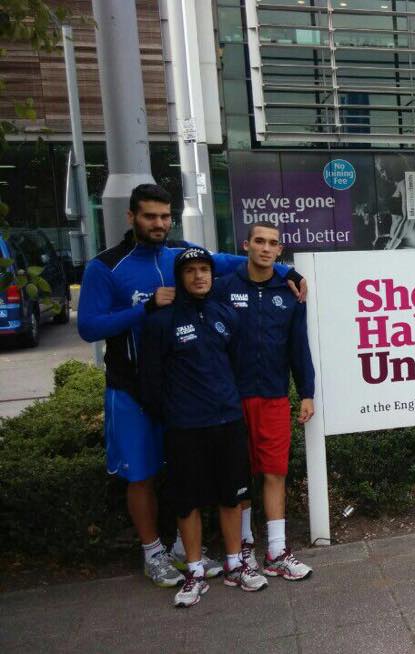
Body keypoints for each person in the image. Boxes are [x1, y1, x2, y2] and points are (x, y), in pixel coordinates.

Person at [77, 184, 305, 587]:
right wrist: (143, 308)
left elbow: (243, 259)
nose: (159, 223)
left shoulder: (180, 253)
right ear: (131, 217)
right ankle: (153, 554)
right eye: (150, 216)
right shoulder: (105, 266)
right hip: (131, 388)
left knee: (191, 476)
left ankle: (187, 552)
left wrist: (289, 271)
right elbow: (88, 326)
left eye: (165, 216)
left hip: (191, 396)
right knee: (142, 475)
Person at [140, 247, 269, 607]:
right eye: (191, 270)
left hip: (227, 421)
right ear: (179, 277)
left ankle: (234, 565)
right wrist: (174, 413)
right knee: (187, 502)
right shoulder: (160, 322)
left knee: (232, 495)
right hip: (185, 427)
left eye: (204, 270)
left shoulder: (225, 315)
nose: (199, 276)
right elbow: (150, 382)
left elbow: (238, 365)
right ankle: (194, 571)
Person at [215, 221, 315, 579]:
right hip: (232, 399)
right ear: (246, 245)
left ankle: (276, 551)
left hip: (273, 396)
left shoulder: (290, 293)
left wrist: (306, 392)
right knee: (239, 475)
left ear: (280, 250)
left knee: (275, 472)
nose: (266, 248)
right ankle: (243, 548)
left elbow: (298, 347)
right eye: (259, 241)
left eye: (273, 243)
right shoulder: (223, 288)